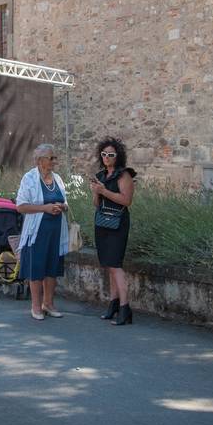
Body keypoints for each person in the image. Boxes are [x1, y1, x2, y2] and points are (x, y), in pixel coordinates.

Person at [15, 144, 70, 321]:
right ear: (40, 160)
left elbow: (66, 202)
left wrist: (63, 206)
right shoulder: (29, 179)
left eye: (55, 158)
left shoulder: (58, 179)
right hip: (37, 233)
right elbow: (21, 206)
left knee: (52, 268)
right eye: (51, 158)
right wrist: (44, 208)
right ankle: (36, 306)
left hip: (55, 232)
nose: (55, 161)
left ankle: (49, 303)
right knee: (36, 268)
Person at [89, 137, 137, 326]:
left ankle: (125, 308)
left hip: (118, 223)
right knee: (108, 265)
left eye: (111, 155)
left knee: (116, 265)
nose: (107, 157)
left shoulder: (124, 175)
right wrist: (95, 192)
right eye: (104, 154)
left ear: (118, 156)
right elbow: (96, 204)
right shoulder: (101, 175)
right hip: (102, 222)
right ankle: (113, 304)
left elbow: (126, 200)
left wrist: (104, 191)